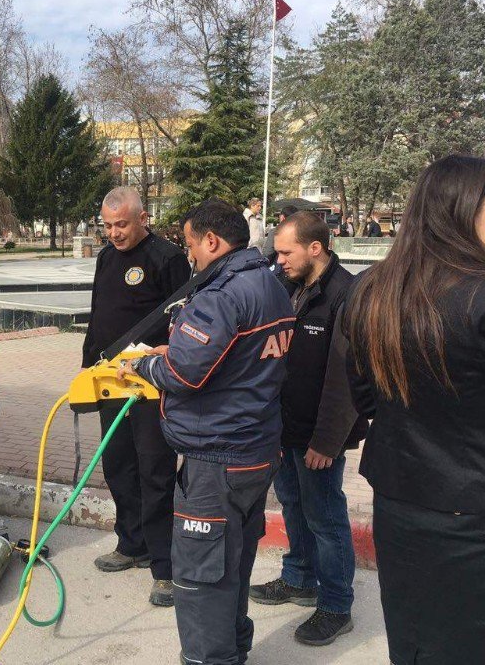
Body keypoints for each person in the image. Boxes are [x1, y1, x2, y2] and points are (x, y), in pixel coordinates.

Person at [344, 155, 485, 664]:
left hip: (401, 509)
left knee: (417, 645)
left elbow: (362, 395)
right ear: (463, 212)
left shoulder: (371, 289)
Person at [119, 198, 295, 665]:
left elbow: (184, 375)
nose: (190, 255)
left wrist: (146, 364)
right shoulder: (270, 283)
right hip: (255, 449)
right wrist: (176, 349)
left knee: (200, 577)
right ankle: (232, 650)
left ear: (212, 241)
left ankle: (209, 658)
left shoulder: (219, 295)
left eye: (192, 244)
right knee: (232, 564)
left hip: (217, 458)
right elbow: (232, 356)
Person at [249, 212, 367, 646]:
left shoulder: (346, 294)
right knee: (294, 505)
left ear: (314, 248)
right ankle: (298, 578)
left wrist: (327, 440)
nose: (277, 260)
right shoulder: (288, 287)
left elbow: (345, 376)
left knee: (326, 517)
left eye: (285, 251)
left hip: (319, 435)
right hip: (284, 426)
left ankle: (336, 605)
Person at [83, 186, 192, 607]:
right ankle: (132, 544)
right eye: (108, 225)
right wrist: (88, 362)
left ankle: (165, 567)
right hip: (111, 380)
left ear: (142, 217)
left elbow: (182, 321)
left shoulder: (167, 259)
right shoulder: (106, 257)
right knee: (118, 467)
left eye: (122, 224)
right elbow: (98, 313)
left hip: (150, 386)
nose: (114, 233)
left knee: (155, 473)